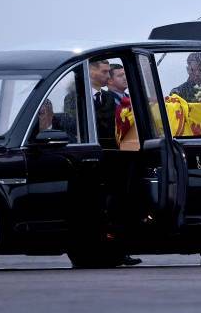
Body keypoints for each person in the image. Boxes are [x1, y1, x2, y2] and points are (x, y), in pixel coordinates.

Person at [89, 59, 141, 267]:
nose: (106, 75)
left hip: (112, 158)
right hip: (90, 159)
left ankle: (119, 250)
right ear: (91, 71)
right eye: (103, 71)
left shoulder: (109, 97)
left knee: (117, 205)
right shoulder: (76, 97)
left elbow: (111, 123)